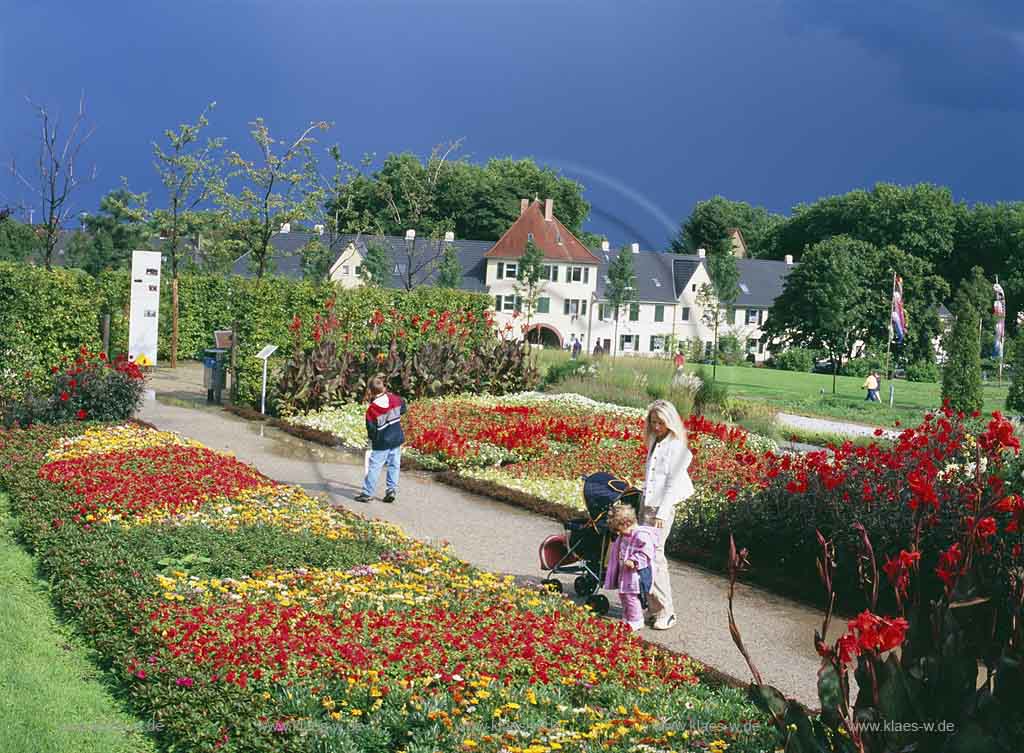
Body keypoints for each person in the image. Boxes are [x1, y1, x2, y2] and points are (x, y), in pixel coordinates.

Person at [639, 399, 694, 630]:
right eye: (653, 422)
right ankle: (653, 609)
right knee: (644, 556)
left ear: (670, 422)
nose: (657, 426)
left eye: (661, 422)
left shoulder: (677, 447)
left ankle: (666, 611)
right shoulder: (655, 440)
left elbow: (671, 484)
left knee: (655, 557)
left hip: (661, 508)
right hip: (647, 504)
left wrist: (662, 512)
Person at [603, 503, 657, 631]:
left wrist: (634, 560)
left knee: (632, 597)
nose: (618, 533)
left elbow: (646, 551)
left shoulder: (641, 535)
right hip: (626, 572)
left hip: (635, 574)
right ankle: (628, 617)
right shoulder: (625, 534)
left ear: (626, 523)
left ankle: (636, 620)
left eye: (618, 529)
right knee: (624, 595)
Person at [355, 374, 407, 504]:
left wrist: (373, 440)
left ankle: (367, 493)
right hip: (396, 439)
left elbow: (371, 430)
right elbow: (403, 408)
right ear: (384, 387)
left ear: (370, 391)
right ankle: (391, 490)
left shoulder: (372, 410)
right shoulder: (394, 399)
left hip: (381, 443)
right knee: (394, 465)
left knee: (375, 467)